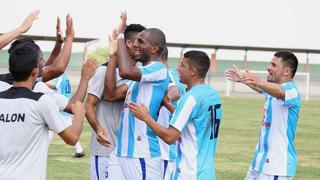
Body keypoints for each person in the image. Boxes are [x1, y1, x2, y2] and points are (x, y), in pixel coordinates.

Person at [129, 50, 222, 180]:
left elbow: (169, 137)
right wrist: (167, 105)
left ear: (193, 71)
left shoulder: (190, 98)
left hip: (190, 173)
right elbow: (193, 121)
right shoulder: (212, 94)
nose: (178, 69)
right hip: (206, 172)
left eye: (182, 65)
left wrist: (145, 117)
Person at [0, 42, 85, 180]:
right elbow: (72, 138)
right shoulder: (41, 101)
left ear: (11, 68)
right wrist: (80, 114)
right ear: (35, 72)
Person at [105, 12, 169, 179]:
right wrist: (113, 57)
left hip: (142, 154)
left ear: (154, 48)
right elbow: (110, 95)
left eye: (141, 42)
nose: (135, 45)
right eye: (135, 41)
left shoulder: (158, 69)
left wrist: (120, 35)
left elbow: (125, 71)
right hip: (120, 152)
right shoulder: (139, 76)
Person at [225, 51, 301, 180]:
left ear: (286, 71)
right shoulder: (272, 90)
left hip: (276, 166)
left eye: (274, 65)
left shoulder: (291, 90)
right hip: (260, 162)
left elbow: (280, 92)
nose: (268, 68)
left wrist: (258, 81)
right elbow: (262, 89)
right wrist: (245, 79)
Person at [85, 23, 145, 180]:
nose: (143, 46)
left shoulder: (140, 75)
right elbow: (89, 104)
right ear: (129, 43)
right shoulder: (104, 71)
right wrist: (98, 128)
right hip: (105, 150)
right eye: (141, 41)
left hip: (128, 152)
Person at [0, 14, 74, 83]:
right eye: (40, 58)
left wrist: (58, 45)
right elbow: (57, 68)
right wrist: (69, 37)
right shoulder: (29, 80)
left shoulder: (5, 81)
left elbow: (48, 68)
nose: (43, 62)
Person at [157, 46, 186, 180]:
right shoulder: (169, 74)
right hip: (164, 149)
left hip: (165, 152)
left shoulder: (167, 74)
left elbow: (175, 92)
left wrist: (167, 98)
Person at [50, 73, 85, 158]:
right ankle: (79, 150)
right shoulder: (65, 76)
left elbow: (54, 87)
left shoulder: (59, 77)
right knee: (69, 129)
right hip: (67, 104)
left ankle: (80, 150)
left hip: (62, 107)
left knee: (49, 128)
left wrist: (42, 85)